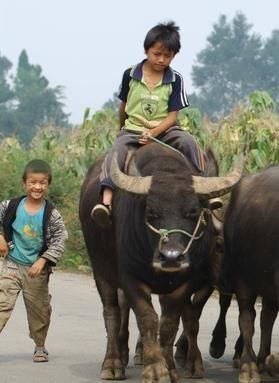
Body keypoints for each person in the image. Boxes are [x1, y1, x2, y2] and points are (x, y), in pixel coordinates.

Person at [91, 21, 203, 227]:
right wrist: (122, 130)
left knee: (189, 141)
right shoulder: (130, 74)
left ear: (174, 56)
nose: (161, 60)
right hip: (133, 129)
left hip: (165, 130)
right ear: (146, 50)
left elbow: (172, 116)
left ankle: (202, 189)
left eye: (167, 56)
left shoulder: (175, 79)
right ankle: (105, 201)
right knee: (115, 153)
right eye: (156, 54)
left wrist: (154, 132)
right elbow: (124, 106)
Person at [0, 159, 68, 363]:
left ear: (48, 184)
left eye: (42, 183)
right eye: (32, 182)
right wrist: (1, 237)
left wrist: (44, 260)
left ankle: (40, 346)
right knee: (1, 304)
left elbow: (60, 237)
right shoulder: (10, 206)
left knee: (40, 310)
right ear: (24, 183)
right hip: (11, 263)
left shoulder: (51, 214)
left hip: (36, 270)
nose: (37, 187)